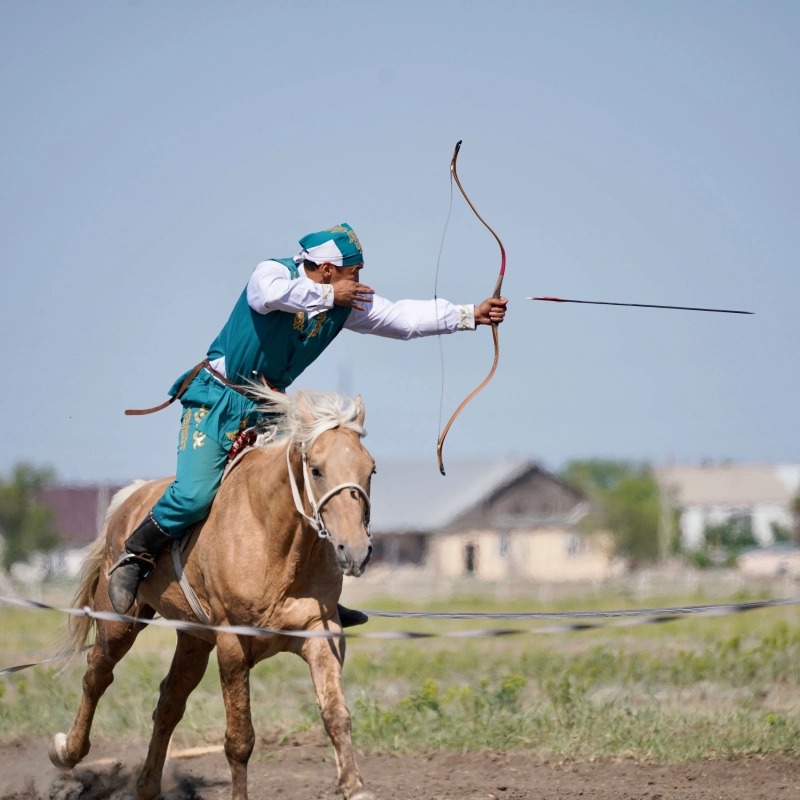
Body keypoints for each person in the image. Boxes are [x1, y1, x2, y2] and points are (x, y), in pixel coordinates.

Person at [108, 223, 508, 619]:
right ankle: (135, 556)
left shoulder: (342, 301)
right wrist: (331, 294)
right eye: (354, 272)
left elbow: (401, 318)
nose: (360, 281)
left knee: (313, 486)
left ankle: (320, 592)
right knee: (195, 495)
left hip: (270, 408)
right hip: (216, 399)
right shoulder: (274, 272)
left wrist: (470, 314)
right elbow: (268, 295)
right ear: (329, 270)